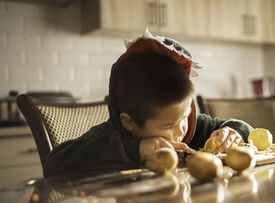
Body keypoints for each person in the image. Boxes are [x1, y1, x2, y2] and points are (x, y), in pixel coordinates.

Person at [43, 29, 253, 177]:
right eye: (168, 125)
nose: (181, 129)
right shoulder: (115, 137)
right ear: (129, 122)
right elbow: (54, 163)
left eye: (185, 114)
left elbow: (243, 127)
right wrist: (135, 150)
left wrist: (233, 133)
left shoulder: (195, 128)